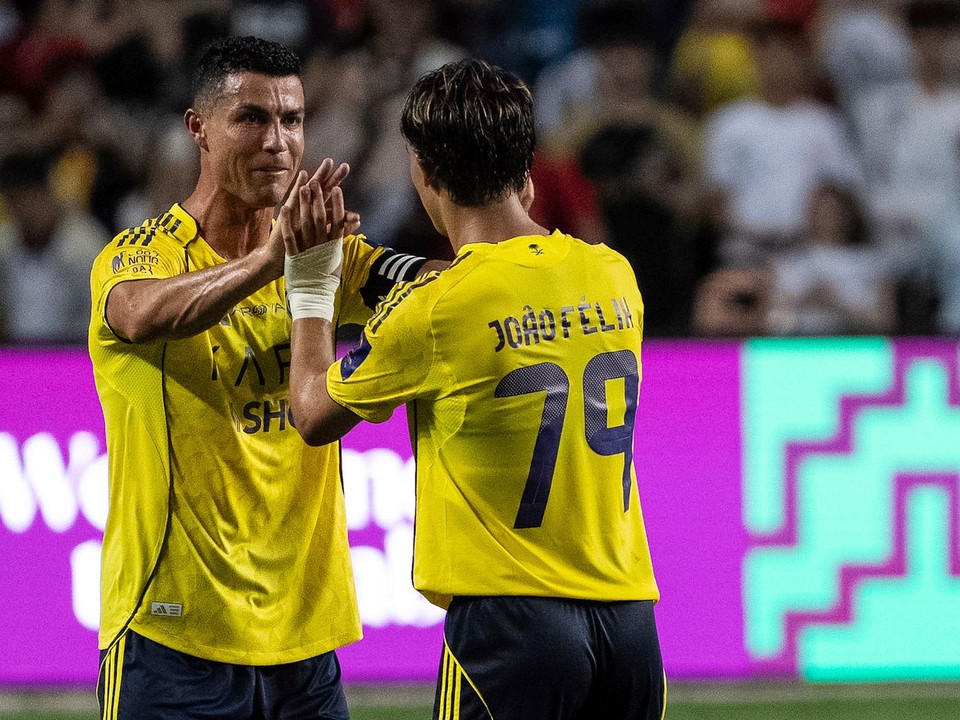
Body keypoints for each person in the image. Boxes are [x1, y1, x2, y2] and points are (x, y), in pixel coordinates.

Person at [281, 58, 664, 720]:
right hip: (629, 621)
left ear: (426, 173)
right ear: (525, 172)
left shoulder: (438, 311)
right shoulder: (612, 274)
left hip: (512, 625)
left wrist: (312, 285)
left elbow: (312, 412)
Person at [88, 36, 433, 720]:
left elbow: (433, 284)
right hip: (171, 633)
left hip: (303, 641)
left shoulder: (325, 254)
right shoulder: (142, 254)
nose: (277, 141)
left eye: (292, 119)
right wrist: (272, 262)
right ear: (198, 128)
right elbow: (140, 315)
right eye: (251, 118)